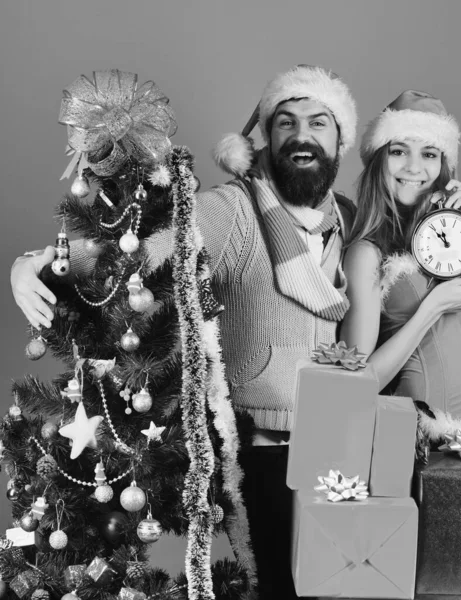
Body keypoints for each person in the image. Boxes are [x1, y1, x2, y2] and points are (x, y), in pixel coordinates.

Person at [10, 65, 358, 600]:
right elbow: (145, 253)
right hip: (264, 450)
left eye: (319, 123)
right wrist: (36, 262)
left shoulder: (349, 221)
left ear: (341, 140)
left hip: (341, 446)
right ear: (266, 137)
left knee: (346, 585)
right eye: (286, 122)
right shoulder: (236, 211)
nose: (302, 135)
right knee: (282, 590)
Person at [341, 90, 461, 441]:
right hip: (413, 444)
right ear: (379, 160)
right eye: (398, 151)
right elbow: (356, 379)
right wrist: (431, 308)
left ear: (444, 166)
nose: (413, 167)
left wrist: (456, 227)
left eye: (429, 154)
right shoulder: (369, 254)